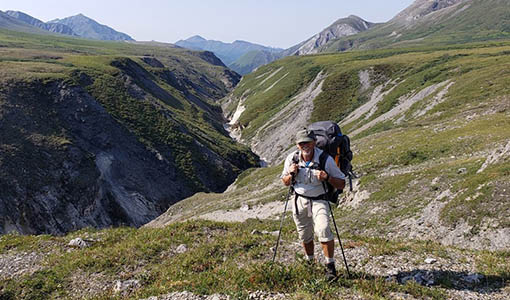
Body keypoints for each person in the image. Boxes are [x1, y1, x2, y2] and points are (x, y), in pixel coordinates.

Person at [281, 129, 346, 281]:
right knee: (305, 234)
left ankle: (330, 268)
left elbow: (341, 183)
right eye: (301, 143)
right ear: (297, 145)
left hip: (319, 199)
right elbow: (285, 182)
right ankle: (310, 262)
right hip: (299, 200)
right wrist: (291, 174)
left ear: (314, 142)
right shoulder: (292, 159)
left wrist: (327, 177)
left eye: (308, 142)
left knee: (323, 229)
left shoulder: (325, 159)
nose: (305, 145)